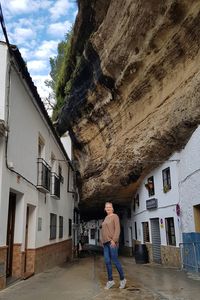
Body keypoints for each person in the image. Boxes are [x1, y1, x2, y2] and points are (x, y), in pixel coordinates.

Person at [101, 202, 126, 290]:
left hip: (112, 243)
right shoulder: (106, 218)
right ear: (105, 209)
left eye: (109, 207)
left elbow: (117, 229)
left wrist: (114, 240)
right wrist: (102, 241)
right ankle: (110, 281)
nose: (108, 208)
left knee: (115, 261)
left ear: (112, 208)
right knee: (107, 261)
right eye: (106, 207)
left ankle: (122, 279)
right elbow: (104, 231)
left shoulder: (115, 216)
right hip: (105, 243)